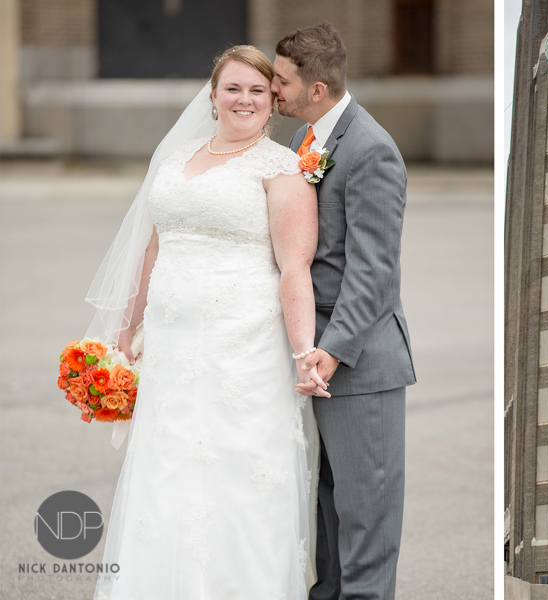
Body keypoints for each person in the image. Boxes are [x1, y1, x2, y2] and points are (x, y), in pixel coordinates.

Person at [87, 45, 320, 599]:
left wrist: (303, 349)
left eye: (256, 91)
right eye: (233, 88)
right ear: (212, 95)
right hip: (170, 345)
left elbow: (295, 267)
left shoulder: (282, 169)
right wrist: (126, 332)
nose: (244, 100)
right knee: (165, 469)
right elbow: (152, 249)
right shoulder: (175, 159)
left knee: (238, 474)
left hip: (244, 348)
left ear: (273, 101)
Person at [270, 23, 416, 600]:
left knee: (366, 513)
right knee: (330, 505)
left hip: (359, 359)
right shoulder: (305, 140)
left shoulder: (371, 149)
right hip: (320, 351)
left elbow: (374, 270)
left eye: (281, 82)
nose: (272, 89)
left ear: (318, 89)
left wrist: (331, 350)